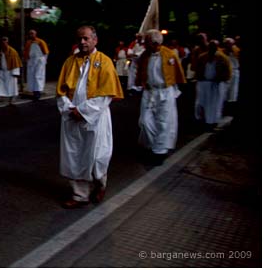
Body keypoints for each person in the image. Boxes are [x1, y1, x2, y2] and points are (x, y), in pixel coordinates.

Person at [56, 25, 124, 209]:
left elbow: (106, 94)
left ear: (95, 40)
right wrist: (70, 109)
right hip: (72, 117)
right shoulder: (70, 62)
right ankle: (80, 195)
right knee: (75, 156)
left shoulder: (105, 61)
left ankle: (100, 183)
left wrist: (84, 111)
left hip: (96, 117)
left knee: (97, 156)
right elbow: (61, 91)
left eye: (86, 38)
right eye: (79, 38)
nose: (82, 42)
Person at [135, 29, 186, 165]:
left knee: (163, 122)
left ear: (155, 43)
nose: (145, 45)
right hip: (149, 92)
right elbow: (138, 67)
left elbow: (177, 73)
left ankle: (159, 151)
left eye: (147, 42)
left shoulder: (169, 54)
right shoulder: (145, 55)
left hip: (165, 92)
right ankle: (152, 144)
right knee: (145, 121)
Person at [194, 39, 232, 130]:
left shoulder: (222, 58)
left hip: (216, 85)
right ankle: (202, 120)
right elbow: (196, 69)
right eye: (211, 46)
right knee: (201, 103)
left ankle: (213, 122)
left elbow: (228, 71)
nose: (212, 48)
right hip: (203, 84)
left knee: (215, 104)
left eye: (214, 46)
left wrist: (222, 79)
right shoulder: (202, 57)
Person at [0, 36, 22, 106]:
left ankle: (12, 101)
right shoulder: (0, 51)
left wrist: (15, 72)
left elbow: (16, 63)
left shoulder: (12, 51)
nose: (3, 43)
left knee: (13, 87)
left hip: (10, 72)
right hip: (2, 72)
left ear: (7, 42)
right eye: (2, 41)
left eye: (5, 41)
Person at [24, 29, 49, 101]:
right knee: (31, 76)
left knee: (38, 76)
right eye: (30, 33)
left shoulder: (41, 42)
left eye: (32, 33)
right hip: (31, 61)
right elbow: (26, 52)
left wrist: (44, 61)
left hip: (39, 61)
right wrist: (26, 60)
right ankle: (34, 92)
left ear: (35, 34)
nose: (31, 35)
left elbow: (46, 53)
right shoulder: (28, 42)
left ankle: (38, 92)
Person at [222, 37, 240, 114]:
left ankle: (231, 109)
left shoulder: (237, 51)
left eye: (229, 43)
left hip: (235, 72)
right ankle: (224, 107)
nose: (228, 45)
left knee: (233, 91)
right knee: (225, 90)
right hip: (225, 72)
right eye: (226, 43)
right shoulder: (222, 51)